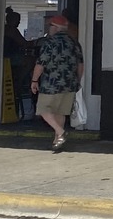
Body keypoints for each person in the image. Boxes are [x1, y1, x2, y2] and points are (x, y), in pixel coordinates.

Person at [30, 14, 84, 152]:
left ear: (56, 27)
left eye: (51, 25)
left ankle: (60, 132)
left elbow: (40, 64)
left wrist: (34, 80)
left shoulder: (50, 42)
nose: (49, 28)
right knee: (61, 112)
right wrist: (77, 81)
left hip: (51, 83)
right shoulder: (74, 43)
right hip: (70, 84)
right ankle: (57, 141)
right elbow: (80, 65)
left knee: (43, 109)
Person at [3, 8, 34, 120]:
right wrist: (37, 41)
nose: (19, 22)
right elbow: (24, 44)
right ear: (12, 20)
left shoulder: (6, 29)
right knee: (31, 60)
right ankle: (20, 80)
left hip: (9, 58)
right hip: (10, 58)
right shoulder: (12, 30)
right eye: (18, 20)